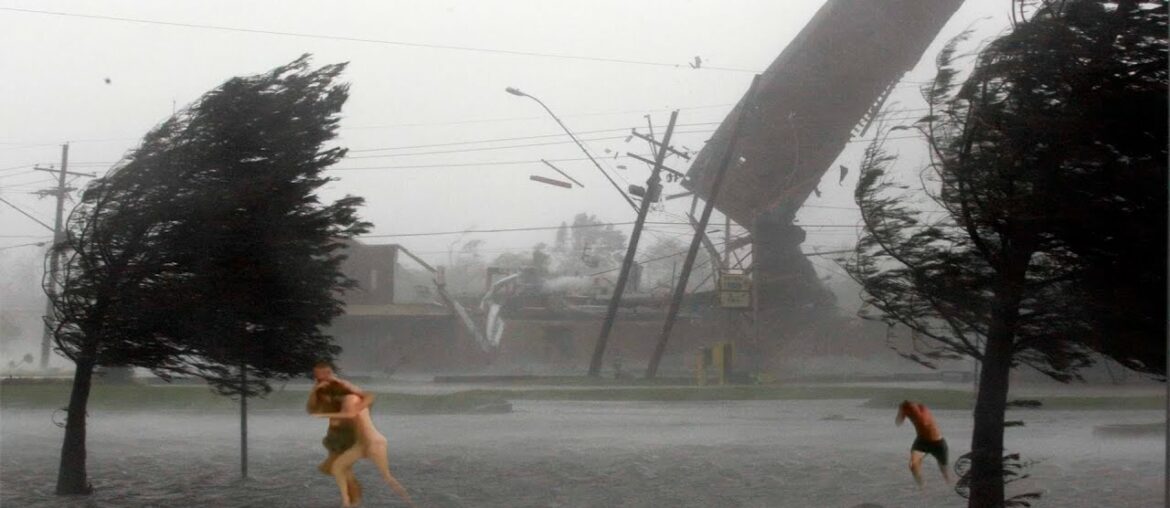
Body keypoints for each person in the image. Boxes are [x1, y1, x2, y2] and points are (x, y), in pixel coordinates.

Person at [310, 364, 416, 508]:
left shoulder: (351, 398)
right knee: (338, 467)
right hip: (361, 443)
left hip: (374, 442)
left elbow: (350, 414)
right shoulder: (349, 399)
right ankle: (346, 503)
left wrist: (323, 415)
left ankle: (411, 503)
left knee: (387, 477)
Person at [308, 362, 366, 505]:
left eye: (325, 374)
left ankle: (353, 500)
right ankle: (353, 499)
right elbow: (312, 408)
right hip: (336, 434)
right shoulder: (322, 389)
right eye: (319, 376)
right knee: (334, 467)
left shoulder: (342, 387)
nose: (322, 378)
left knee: (336, 467)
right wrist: (315, 391)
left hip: (349, 434)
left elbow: (359, 398)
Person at [896, 399, 951, 488]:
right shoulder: (907, 409)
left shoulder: (923, 409)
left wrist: (904, 412)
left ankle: (950, 486)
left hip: (938, 443)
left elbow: (924, 422)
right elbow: (898, 422)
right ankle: (922, 488)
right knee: (913, 465)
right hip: (922, 442)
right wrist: (901, 412)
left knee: (945, 472)